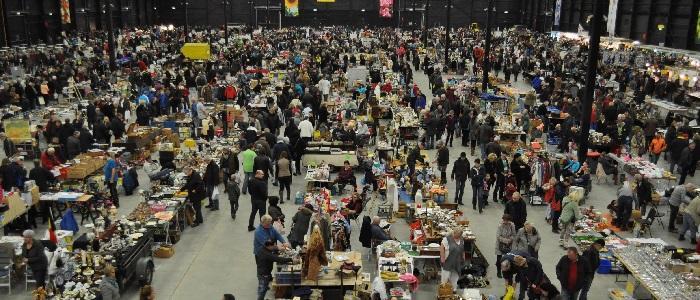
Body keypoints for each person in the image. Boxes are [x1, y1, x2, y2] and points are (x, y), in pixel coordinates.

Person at [495, 214, 516, 279]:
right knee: (499, 259)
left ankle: (507, 271)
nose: (505, 222)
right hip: (500, 245)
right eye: (504, 220)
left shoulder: (512, 225)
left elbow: (514, 234)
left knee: (508, 258)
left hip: (509, 245)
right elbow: (498, 236)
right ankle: (498, 271)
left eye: (507, 220)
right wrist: (506, 240)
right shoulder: (500, 226)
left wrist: (510, 239)